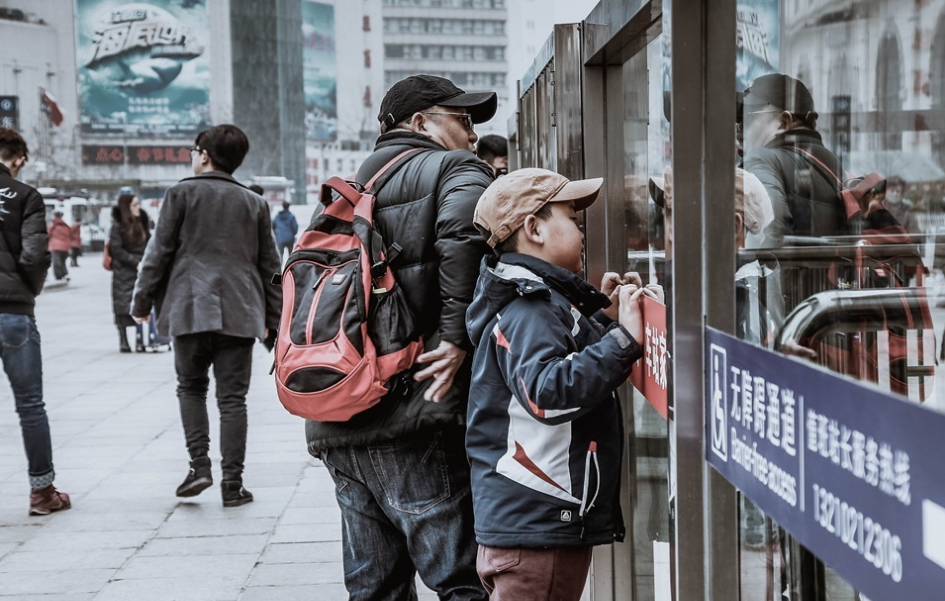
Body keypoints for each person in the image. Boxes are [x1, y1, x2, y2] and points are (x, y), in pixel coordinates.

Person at [305, 73, 497, 601]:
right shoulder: (454, 168)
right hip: (415, 414)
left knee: (375, 589)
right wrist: (456, 337)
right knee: (462, 581)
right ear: (420, 124)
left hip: (338, 417)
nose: (474, 134)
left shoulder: (343, 193)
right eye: (462, 120)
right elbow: (466, 243)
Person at [465, 167, 657, 601]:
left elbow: (559, 357)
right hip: (538, 530)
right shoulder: (530, 307)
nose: (581, 230)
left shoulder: (533, 300)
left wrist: (604, 319)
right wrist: (624, 342)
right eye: (572, 218)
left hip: (528, 524)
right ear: (533, 228)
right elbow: (547, 391)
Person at [131, 124, 282, 507]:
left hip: (189, 307)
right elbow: (271, 267)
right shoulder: (254, 202)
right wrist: (276, 324)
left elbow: (157, 254)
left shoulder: (180, 193)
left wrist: (140, 303)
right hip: (241, 311)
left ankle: (199, 467)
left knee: (191, 387)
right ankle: (233, 484)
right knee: (233, 399)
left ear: (203, 154)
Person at [0, 127, 71, 515]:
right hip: (13, 314)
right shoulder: (24, 195)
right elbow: (34, 255)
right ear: (17, 159)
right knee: (30, 405)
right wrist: (29, 290)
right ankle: (42, 494)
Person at [109, 193, 150, 353]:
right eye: (134, 205)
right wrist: (135, 263)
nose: (138, 208)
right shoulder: (118, 225)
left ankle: (142, 339)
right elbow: (116, 250)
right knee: (122, 306)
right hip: (124, 270)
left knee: (142, 303)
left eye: (138, 204)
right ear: (127, 208)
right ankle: (123, 340)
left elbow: (151, 243)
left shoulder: (143, 222)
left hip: (142, 267)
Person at [47, 210, 70, 281]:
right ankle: (64, 274)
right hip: (65, 247)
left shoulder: (53, 225)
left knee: (56, 261)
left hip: (55, 246)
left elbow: (47, 234)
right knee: (62, 261)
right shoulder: (65, 225)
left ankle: (58, 275)